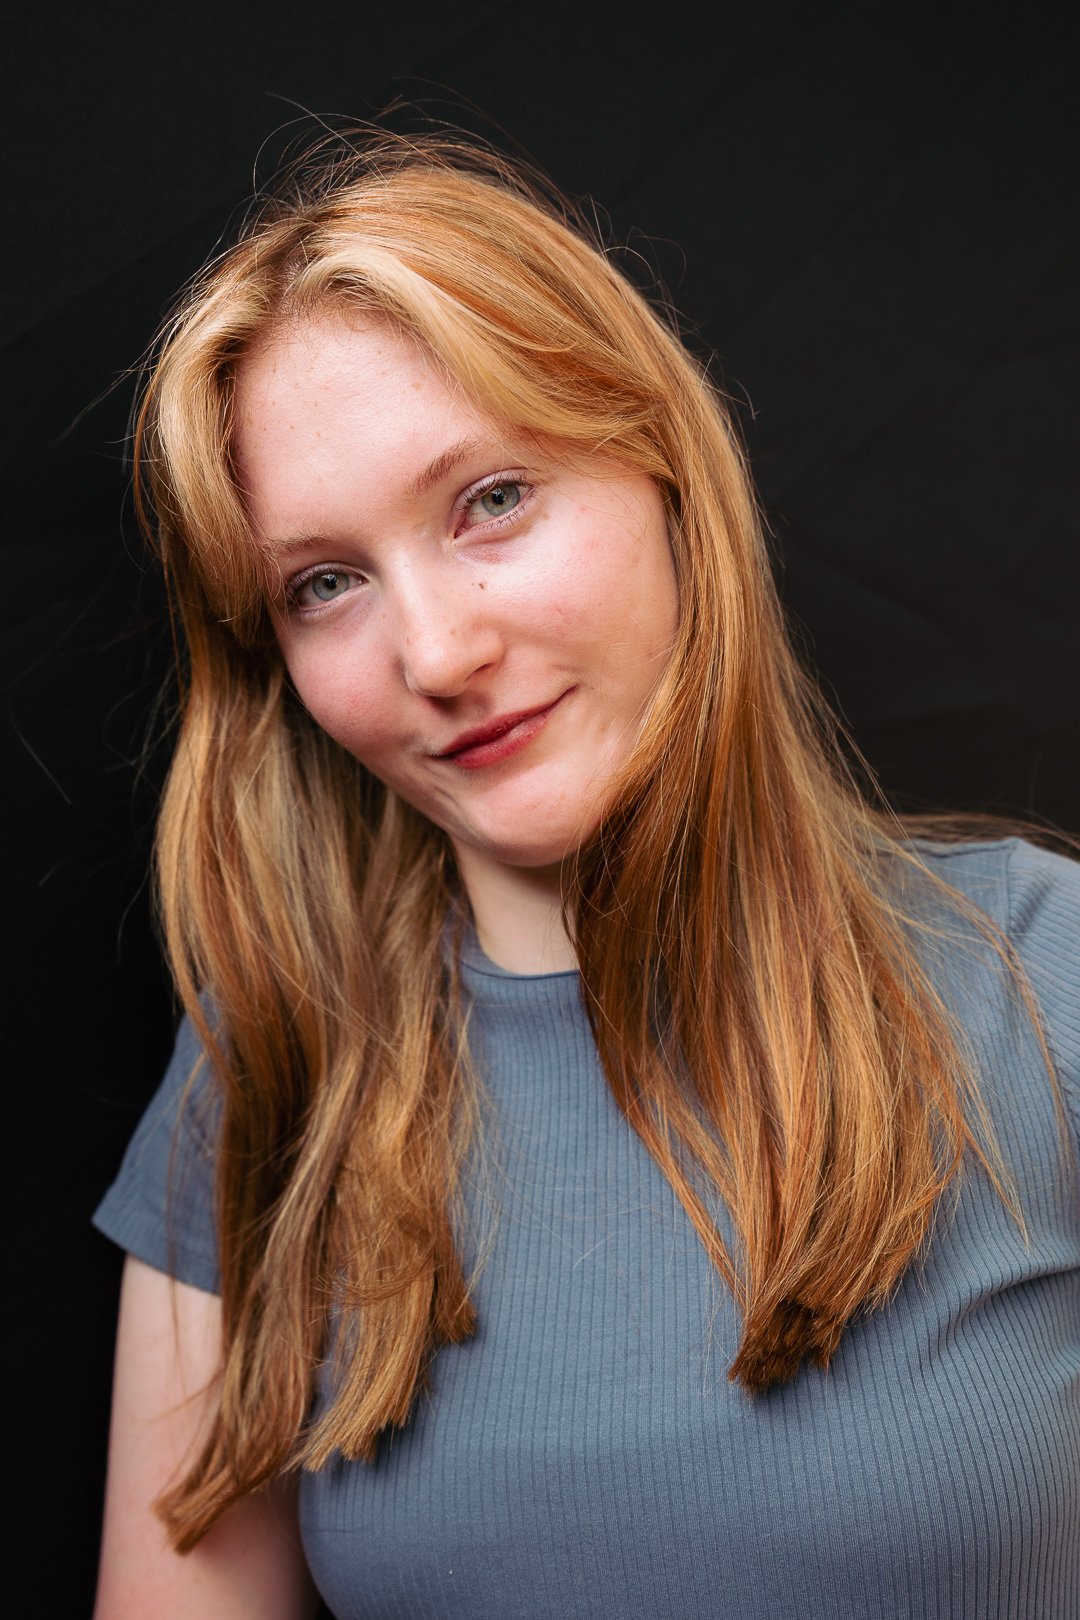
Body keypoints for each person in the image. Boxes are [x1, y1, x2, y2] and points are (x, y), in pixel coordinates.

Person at [92, 130, 1080, 1619]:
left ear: (664, 470)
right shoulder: (262, 1079)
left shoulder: (1048, 976)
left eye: (490, 498)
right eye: (324, 584)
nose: (436, 653)